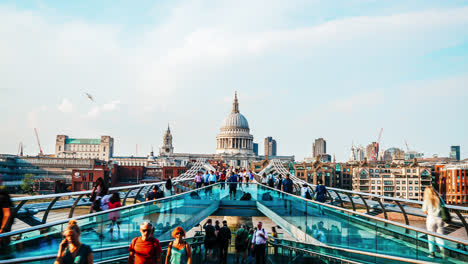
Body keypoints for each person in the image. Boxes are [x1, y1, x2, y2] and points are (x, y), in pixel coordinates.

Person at [422, 186, 445, 258]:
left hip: (431, 219)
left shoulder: (427, 200)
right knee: (440, 236)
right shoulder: (439, 198)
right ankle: (443, 250)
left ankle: (432, 253)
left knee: (431, 237)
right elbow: (443, 206)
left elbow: (425, 211)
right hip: (440, 219)